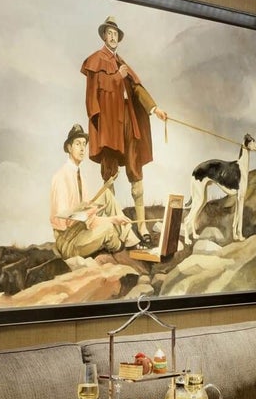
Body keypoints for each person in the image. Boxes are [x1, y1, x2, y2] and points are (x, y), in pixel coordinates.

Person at [81, 16, 168, 238]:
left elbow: (137, 88)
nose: (113, 37)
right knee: (109, 174)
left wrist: (154, 109)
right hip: (110, 124)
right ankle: (118, 230)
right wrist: (117, 79)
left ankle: (141, 227)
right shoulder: (95, 61)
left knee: (135, 166)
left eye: (115, 34)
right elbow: (94, 95)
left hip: (127, 120)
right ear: (104, 36)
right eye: (109, 33)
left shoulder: (122, 63)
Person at [50, 124, 139, 258]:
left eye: (84, 144)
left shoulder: (79, 176)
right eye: (77, 144)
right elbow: (62, 217)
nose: (82, 149)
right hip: (68, 239)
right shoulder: (61, 177)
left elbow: (90, 220)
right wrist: (83, 211)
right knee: (108, 229)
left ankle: (129, 239)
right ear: (69, 147)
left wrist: (114, 219)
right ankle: (120, 248)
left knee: (107, 194)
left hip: (80, 228)